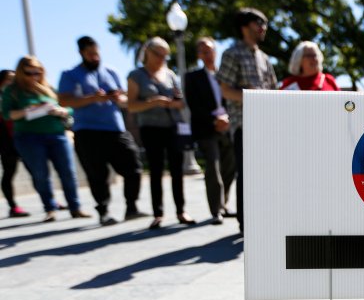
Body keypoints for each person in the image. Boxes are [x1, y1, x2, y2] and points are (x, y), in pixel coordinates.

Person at [58, 36, 145, 226]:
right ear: (81, 53)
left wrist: (116, 98)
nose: (94, 57)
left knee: (133, 166)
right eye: (90, 54)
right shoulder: (70, 74)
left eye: (96, 53)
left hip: (115, 129)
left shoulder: (111, 71)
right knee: (97, 174)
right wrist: (92, 99)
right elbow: (64, 101)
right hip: (87, 131)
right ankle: (104, 211)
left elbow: (123, 100)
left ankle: (132, 207)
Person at [1, 57, 90, 222]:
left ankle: (75, 207)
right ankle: (50, 208)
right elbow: (7, 114)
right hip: (29, 137)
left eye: (37, 72)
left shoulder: (47, 87)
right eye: (29, 73)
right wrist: (28, 111)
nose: (34, 76)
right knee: (41, 174)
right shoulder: (12, 90)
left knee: (68, 172)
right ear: (21, 72)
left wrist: (60, 111)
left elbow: (68, 107)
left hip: (56, 134)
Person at [218, 8, 278, 234]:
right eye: (258, 24)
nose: (263, 28)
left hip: (267, 126)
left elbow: (274, 89)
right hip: (244, 125)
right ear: (245, 27)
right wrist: (251, 96)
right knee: (247, 176)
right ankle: (246, 224)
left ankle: (265, 218)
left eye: (264, 24)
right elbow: (225, 90)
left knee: (267, 175)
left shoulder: (264, 58)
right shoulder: (232, 54)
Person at [127, 37, 195, 230]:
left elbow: (181, 102)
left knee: (177, 170)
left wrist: (174, 102)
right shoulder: (136, 75)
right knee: (156, 171)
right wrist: (154, 102)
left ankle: (181, 210)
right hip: (150, 128)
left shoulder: (170, 74)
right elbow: (131, 105)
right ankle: (158, 213)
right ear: (147, 52)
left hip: (172, 126)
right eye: (158, 54)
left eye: (165, 55)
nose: (162, 58)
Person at [184, 37, 236, 225]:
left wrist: (228, 119)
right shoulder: (192, 78)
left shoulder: (226, 75)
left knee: (230, 167)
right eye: (203, 51)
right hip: (207, 128)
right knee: (213, 169)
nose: (208, 54)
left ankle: (224, 203)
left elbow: (232, 99)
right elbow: (194, 105)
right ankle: (216, 211)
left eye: (210, 50)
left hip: (228, 127)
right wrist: (214, 120)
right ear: (199, 55)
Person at [0, 70, 29, 217]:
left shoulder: (19, 95)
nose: (12, 83)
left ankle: (49, 201)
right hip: (7, 142)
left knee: (36, 170)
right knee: (9, 173)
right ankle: (13, 206)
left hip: (24, 137)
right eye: (9, 80)